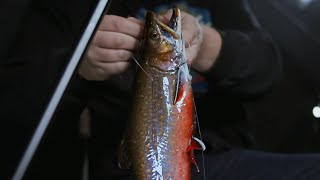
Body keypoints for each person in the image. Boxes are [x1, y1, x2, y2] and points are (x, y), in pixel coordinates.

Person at [77, 0, 320, 180]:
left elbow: (268, 67)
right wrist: (77, 63)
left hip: (225, 158)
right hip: (131, 169)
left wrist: (206, 46)